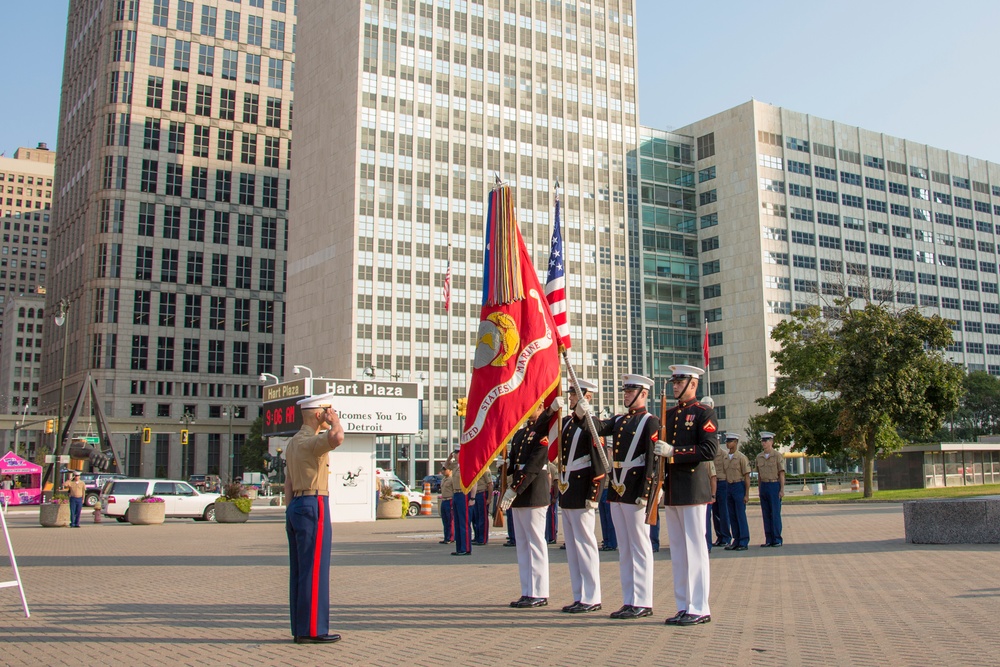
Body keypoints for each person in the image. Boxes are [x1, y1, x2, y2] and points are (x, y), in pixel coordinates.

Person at [653, 365, 719, 627]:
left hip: (693, 487)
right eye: (675, 381)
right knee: (679, 551)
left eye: (680, 381)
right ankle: (684, 605)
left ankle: (700, 606)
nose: (676, 385)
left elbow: (709, 449)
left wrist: (674, 452)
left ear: (693, 383)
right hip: (673, 489)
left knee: (695, 548)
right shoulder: (668, 414)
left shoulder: (704, 413)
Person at [590, 374, 659, 620]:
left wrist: (646, 493)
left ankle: (643, 600)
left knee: (639, 546)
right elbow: (597, 427)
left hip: (635, 489)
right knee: (625, 548)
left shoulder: (650, 422)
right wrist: (583, 409)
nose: (626, 395)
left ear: (643, 394)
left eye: (631, 391)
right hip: (618, 487)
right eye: (625, 391)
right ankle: (630, 599)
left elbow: (652, 461)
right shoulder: (620, 419)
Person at [284, 391, 345, 645]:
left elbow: (287, 482)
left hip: (296, 504)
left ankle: (300, 628)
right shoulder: (312, 441)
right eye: (327, 412)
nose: (329, 415)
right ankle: (314, 629)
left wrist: (289, 511)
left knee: (300, 570)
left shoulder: (293, 443)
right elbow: (337, 437)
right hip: (314, 502)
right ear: (320, 414)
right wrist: (336, 422)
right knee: (315, 569)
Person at [556, 379, 607, 613]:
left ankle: (592, 596)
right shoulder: (566, 422)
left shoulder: (592, 423)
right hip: (568, 488)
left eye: (574, 395)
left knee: (586, 545)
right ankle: (579, 594)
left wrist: (594, 494)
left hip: (583, 488)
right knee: (573, 547)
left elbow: (599, 462)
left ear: (587, 397)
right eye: (570, 394)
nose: (570, 398)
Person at [498, 401, 554, 608]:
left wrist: (515, 487)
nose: (528, 410)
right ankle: (527, 590)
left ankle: (539, 592)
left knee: (535, 544)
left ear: (541, 408)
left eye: (533, 407)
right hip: (519, 494)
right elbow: (515, 461)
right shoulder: (520, 434)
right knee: (522, 544)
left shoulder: (543, 434)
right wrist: (505, 470)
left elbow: (533, 465)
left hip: (533, 493)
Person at [721, 433, 751, 552]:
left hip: (739, 485)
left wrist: (746, 494)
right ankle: (736, 540)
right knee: (732, 515)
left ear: (736, 442)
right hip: (729, 486)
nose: (728, 443)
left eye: (730, 441)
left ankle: (744, 540)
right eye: (727, 441)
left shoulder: (741, 458)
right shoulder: (725, 458)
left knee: (740, 515)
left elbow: (747, 476)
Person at [756, 432, 785, 547]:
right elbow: (759, 475)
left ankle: (777, 539)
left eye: (766, 440)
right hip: (764, 485)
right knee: (766, 514)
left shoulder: (777, 456)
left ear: (772, 442)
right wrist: (759, 489)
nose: (764, 443)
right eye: (763, 441)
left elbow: (781, 473)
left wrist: (782, 489)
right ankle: (768, 539)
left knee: (775, 514)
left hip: (774, 485)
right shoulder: (759, 456)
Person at [445, 451, 472, 556]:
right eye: (455, 453)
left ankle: (466, 548)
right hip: (456, 494)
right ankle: (460, 548)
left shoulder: (467, 465)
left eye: (457, 453)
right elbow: (446, 466)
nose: (455, 455)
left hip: (463, 494)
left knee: (463, 522)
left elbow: (473, 482)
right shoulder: (456, 466)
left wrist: (472, 498)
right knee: (457, 522)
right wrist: (449, 457)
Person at [711, 438, 731, 547]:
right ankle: (719, 536)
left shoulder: (724, 454)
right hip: (713, 485)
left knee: (724, 512)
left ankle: (726, 537)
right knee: (715, 513)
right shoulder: (710, 454)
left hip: (723, 483)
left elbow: (728, 470)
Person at [471, 462, 494, 545]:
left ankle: (483, 539)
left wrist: (489, 498)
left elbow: (490, 484)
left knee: (482, 517)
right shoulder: (475, 469)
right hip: (476, 494)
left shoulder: (485, 469)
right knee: (476, 517)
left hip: (482, 493)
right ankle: (477, 537)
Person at [598, 484, 617, 551]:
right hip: (600, 488)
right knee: (603, 519)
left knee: (609, 518)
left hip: (609, 488)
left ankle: (611, 543)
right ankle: (606, 541)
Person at [544, 460, 559, 544]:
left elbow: (556, 482)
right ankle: (548, 535)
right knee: (546, 517)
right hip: (545, 491)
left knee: (552, 516)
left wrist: (555, 496)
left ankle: (552, 536)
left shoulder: (552, 467)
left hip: (551, 491)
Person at [439, 468, 455, 545]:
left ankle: (451, 537)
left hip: (450, 500)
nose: (443, 471)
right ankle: (446, 537)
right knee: (445, 520)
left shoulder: (452, 479)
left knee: (450, 520)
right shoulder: (443, 479)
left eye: (445, 470)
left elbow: (455, 490)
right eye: (442, 470)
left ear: (450, 470)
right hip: (444, 500)